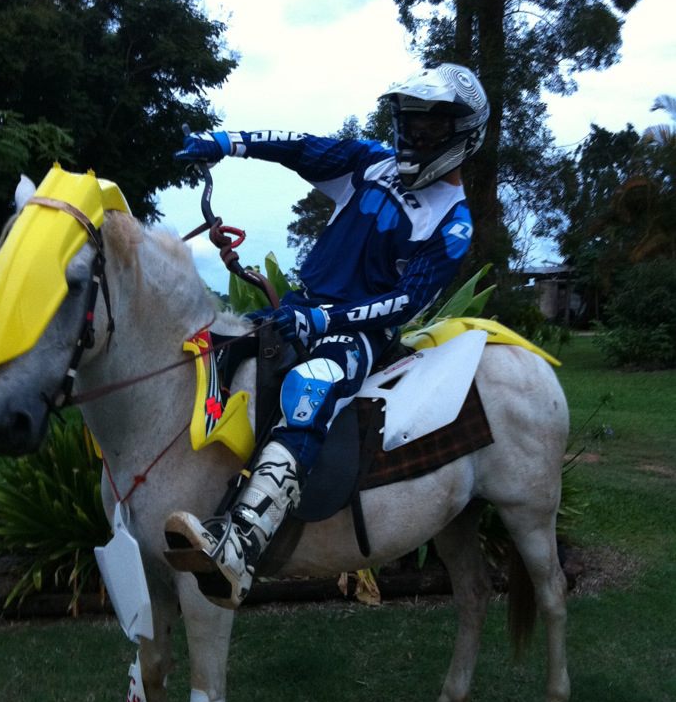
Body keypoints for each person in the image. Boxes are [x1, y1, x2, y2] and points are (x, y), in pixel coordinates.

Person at [164, 62, 490, 609]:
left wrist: (325, 322)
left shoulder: (452, 223)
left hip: (360, 334)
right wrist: (227, 142)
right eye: (410, 120)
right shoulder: (370, 162)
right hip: (300, 307)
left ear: (461, 136)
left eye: (430, 125)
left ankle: (242, 545)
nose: (414, 134)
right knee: (213, 350)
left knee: (310, 387)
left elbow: (406, 303)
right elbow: (300, 147)